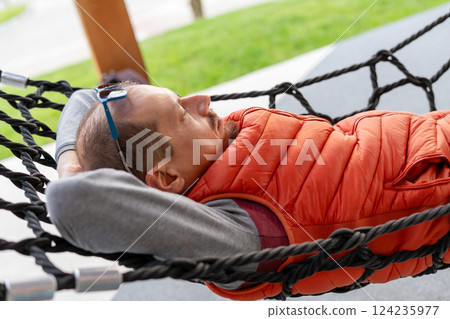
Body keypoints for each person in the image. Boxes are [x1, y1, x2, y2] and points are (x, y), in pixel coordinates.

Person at [46, 83, 450, 300]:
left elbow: (84, 98)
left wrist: (73, 158)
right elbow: (74, 200)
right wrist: (72, 172)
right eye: (181, 113)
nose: (202, 100)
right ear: (166, 178)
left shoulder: (215, 146)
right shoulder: (237, 229)